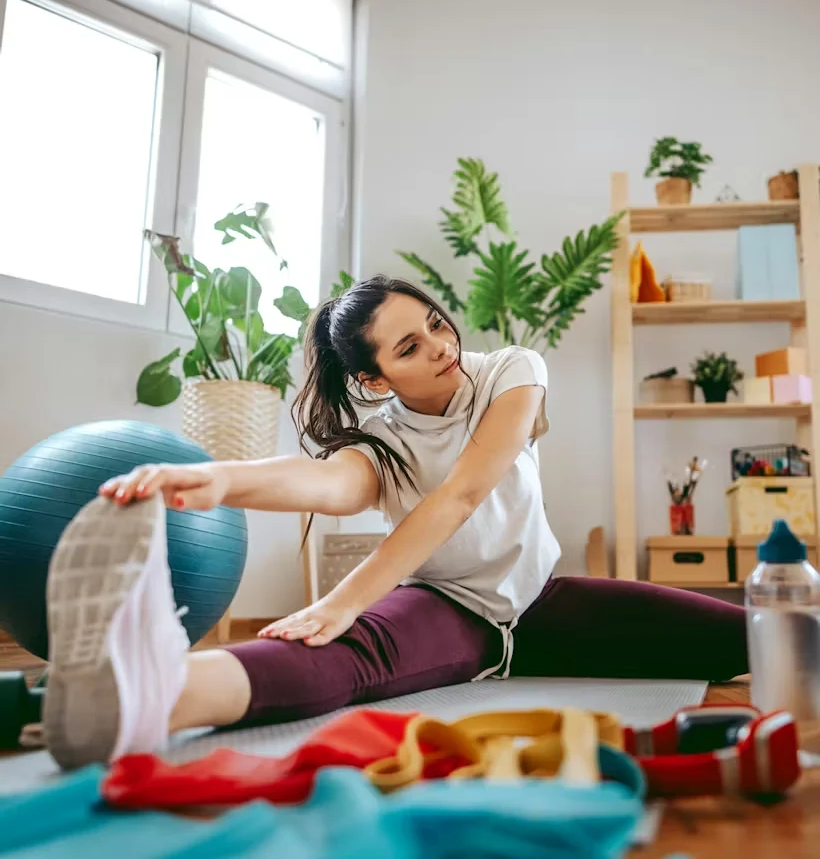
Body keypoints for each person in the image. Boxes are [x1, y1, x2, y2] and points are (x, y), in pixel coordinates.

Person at [42, 275, 748, 771]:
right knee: (344, 655)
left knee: (740, 634)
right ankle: (148, 696)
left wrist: (346, 595)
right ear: (376, 379)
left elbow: (464, 494)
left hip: (541, 601)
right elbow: (327, 481)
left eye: (435, 324)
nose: (440, 345)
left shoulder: (512, 371)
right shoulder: (383, 438)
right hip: (446, 605)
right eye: (409, 347)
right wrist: (221, 479)